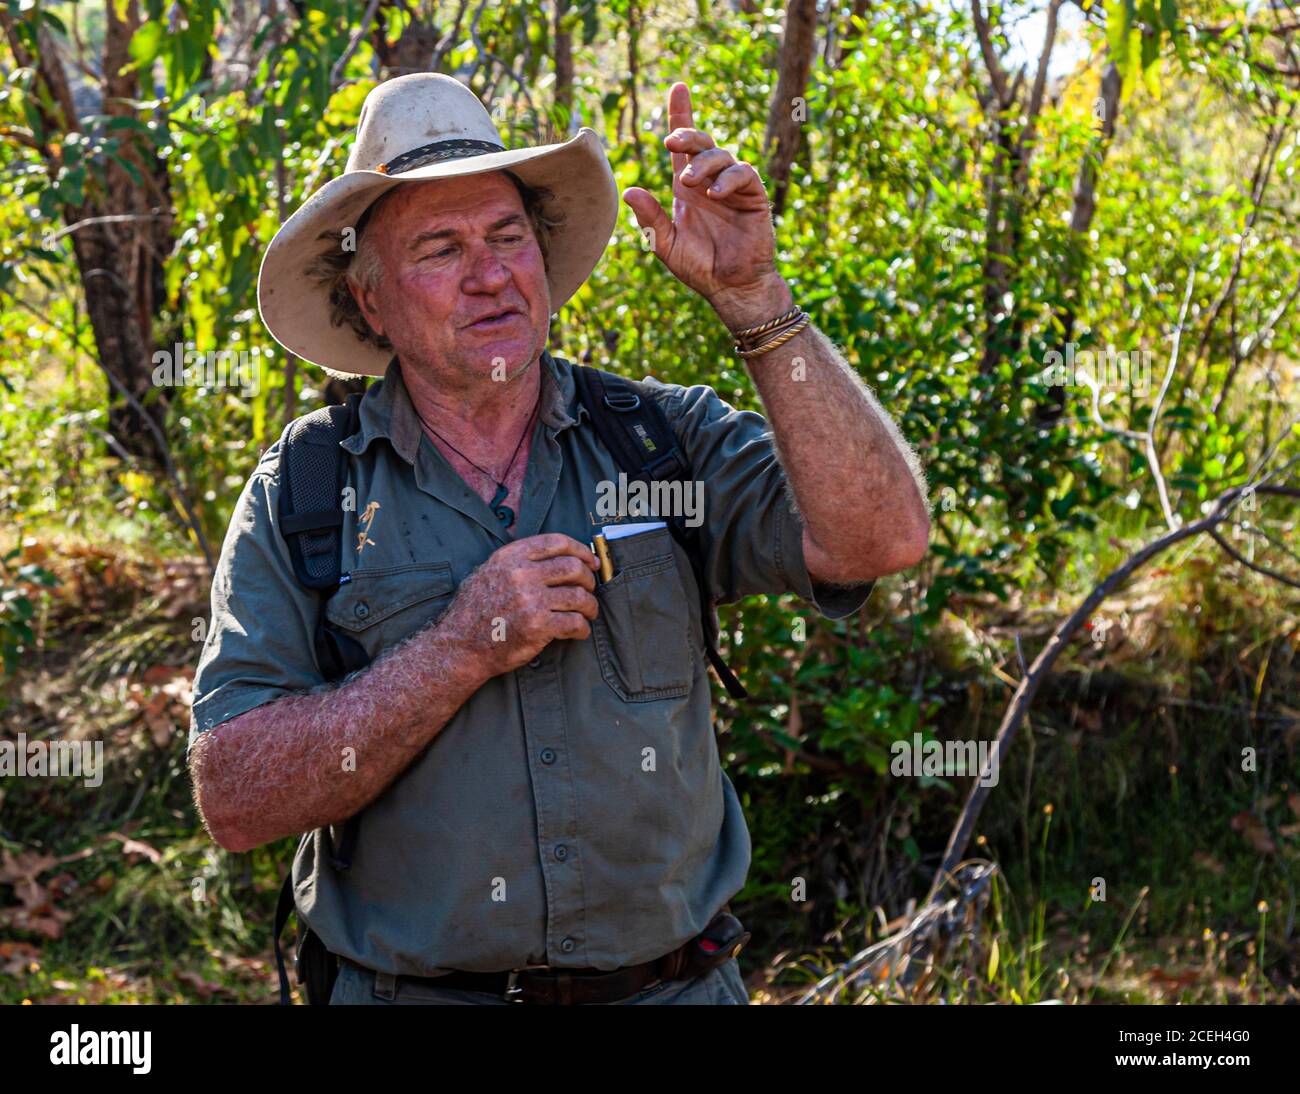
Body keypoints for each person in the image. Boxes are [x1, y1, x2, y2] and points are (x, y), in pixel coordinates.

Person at [187, 72, 929, 1005]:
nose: (490, 273)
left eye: (507, 237)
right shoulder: (308, 490)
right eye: (440, 249)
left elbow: (882, 537)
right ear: (371, 302)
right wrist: (457, 647)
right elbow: (236, 795)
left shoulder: (659, 440)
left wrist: (755, 300)